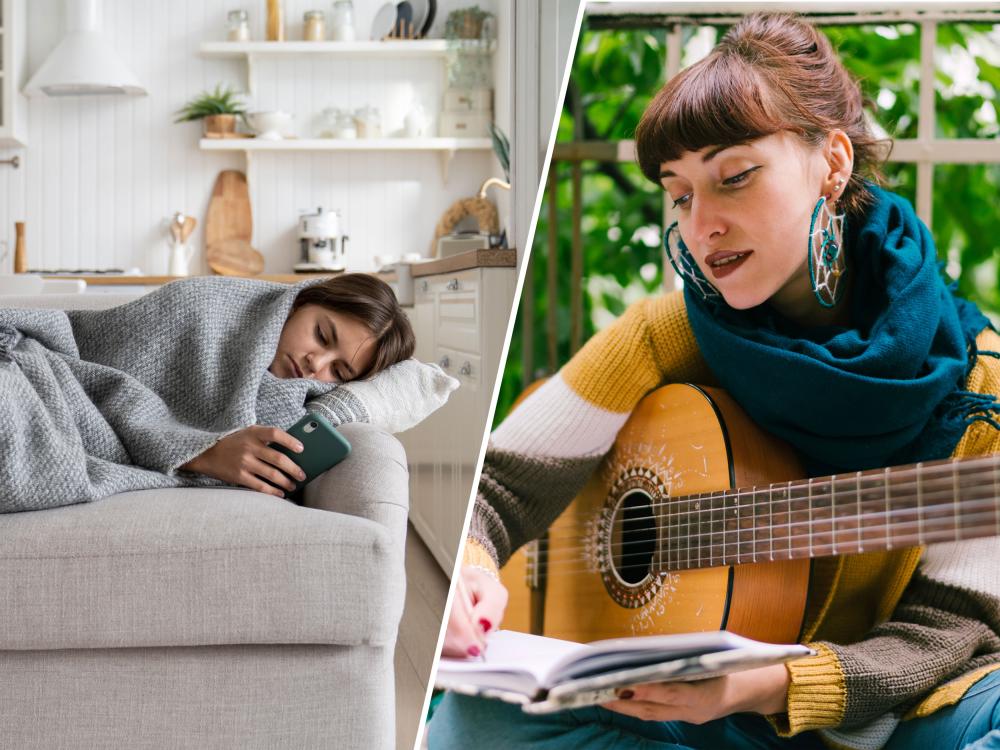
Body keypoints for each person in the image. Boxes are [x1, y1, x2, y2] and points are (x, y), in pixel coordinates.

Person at [428, 12, 1000, 750]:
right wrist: (468, 570)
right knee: (470, 727)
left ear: (832, 162)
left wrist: (774, 682)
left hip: (890, 712)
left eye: (734, 178)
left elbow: (948, 629)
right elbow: (495, 488)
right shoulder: (668, 334)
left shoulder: (974, 381)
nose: (702, 228)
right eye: (680, 193)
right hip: (711, 715)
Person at [180, 273, 415, 498]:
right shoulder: (200, 303)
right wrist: (204, 454)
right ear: (302, 302)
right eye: (321, 335)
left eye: (337, 371)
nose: (316, 363)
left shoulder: (302, 408)